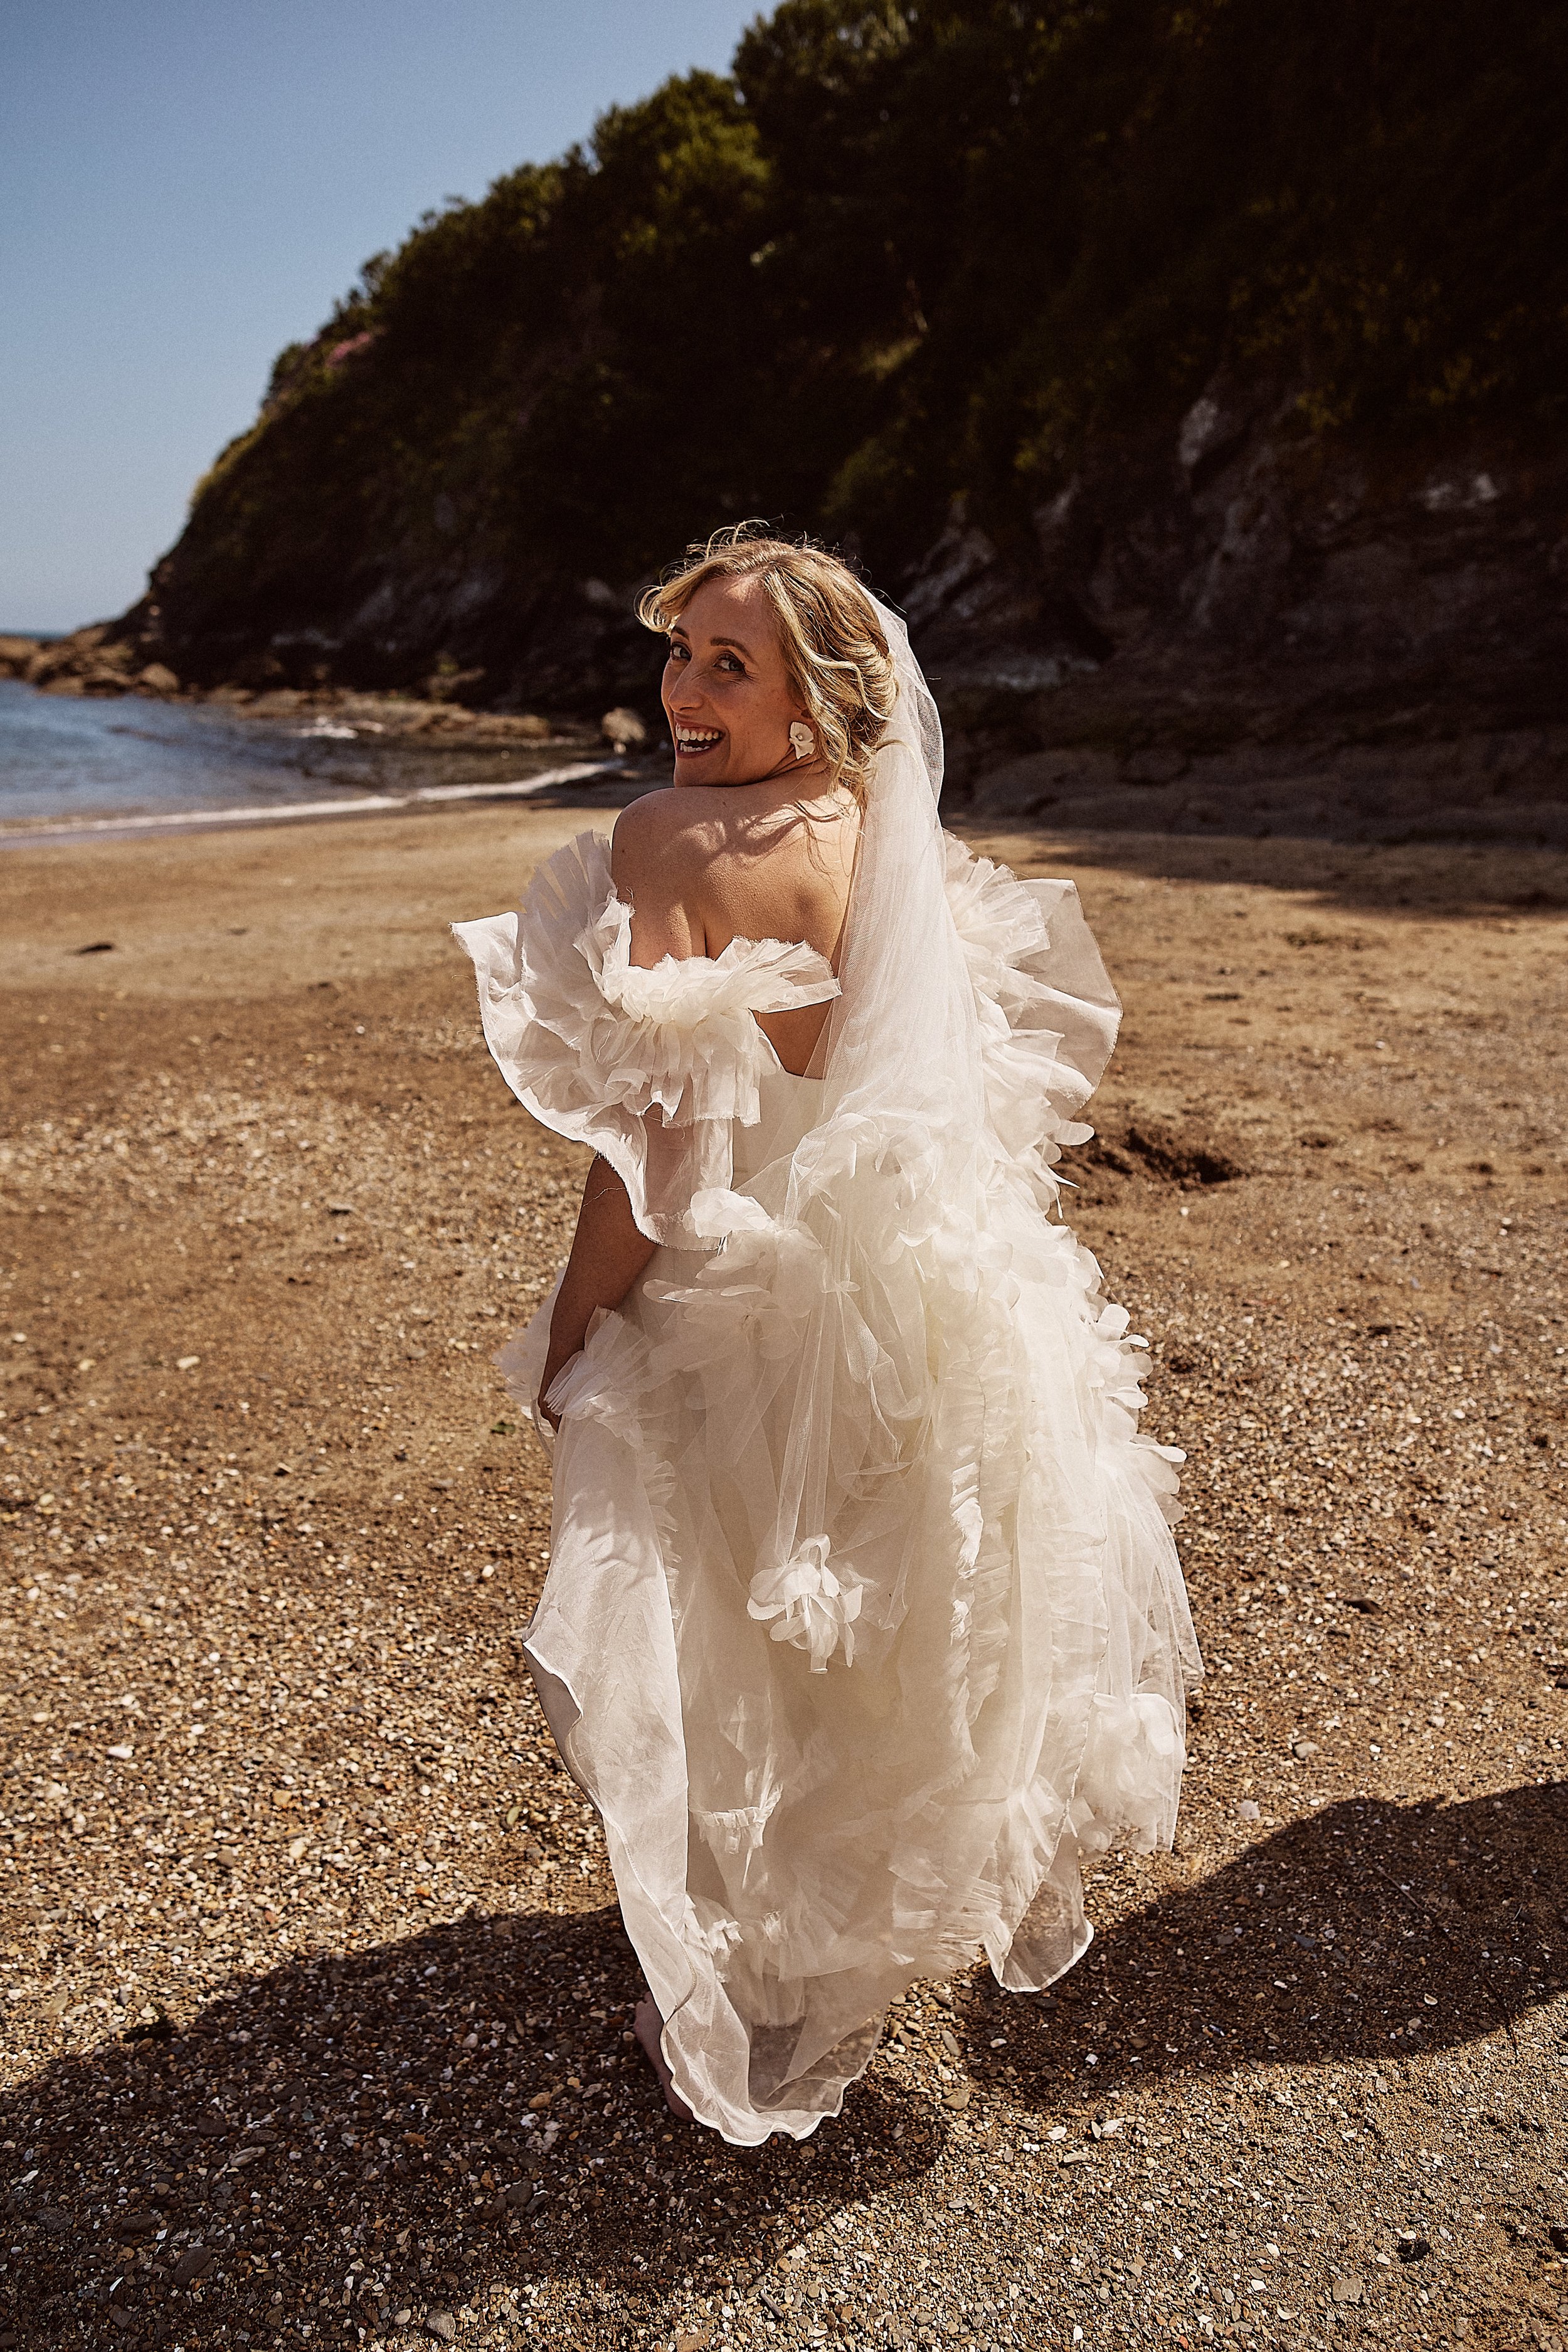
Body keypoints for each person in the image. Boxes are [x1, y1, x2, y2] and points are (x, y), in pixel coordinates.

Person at [453, 527, 1199, 2146]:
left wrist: (579, 1325)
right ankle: (841, 1930)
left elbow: (653, 1153)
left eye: (732, 665)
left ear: (820, 698)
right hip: (920, 1276)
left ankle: (756, 1943)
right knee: (900, 1601)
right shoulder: (890, 834)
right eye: (677, 655)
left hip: (745, 1268)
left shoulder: (662, 843)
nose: (685, 691)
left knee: (730, 1609)